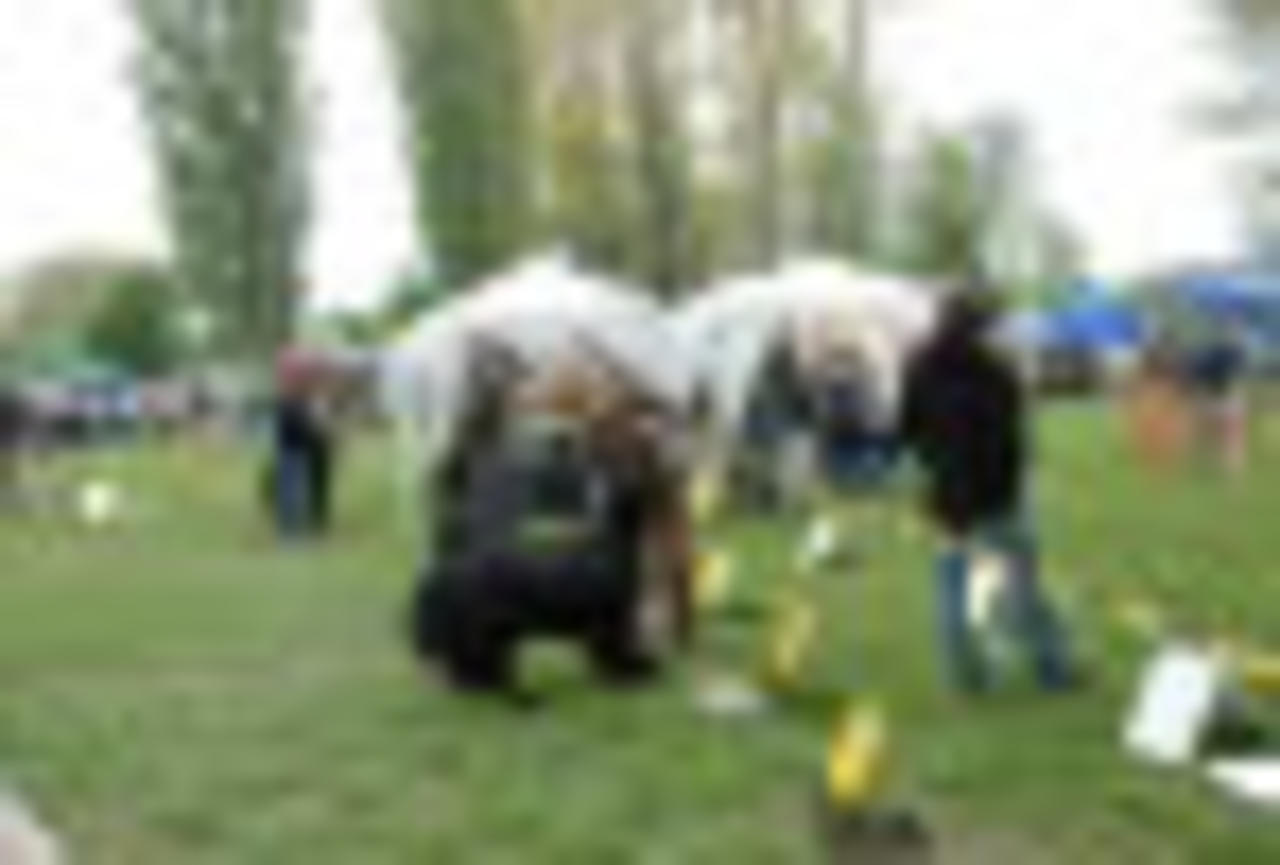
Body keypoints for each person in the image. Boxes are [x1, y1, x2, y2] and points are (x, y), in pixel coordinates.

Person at [409, 363, 679, 702]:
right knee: (481, 581)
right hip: (536, 561)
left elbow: (649, 524)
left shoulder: (611, 457)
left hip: (563, 561)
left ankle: (469, 662)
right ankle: (469, 662)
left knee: (494, 581)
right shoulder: (550, 450)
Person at [900, 290, 1076, 693]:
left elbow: (909, 430)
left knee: (954, 591)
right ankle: (1052, 667)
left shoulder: (919, 366)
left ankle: (966, 677)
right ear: (981, 327)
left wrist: (934, 473)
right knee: (1022, 584)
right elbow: (1009, 442)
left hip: (948, 499)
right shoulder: (995, 372)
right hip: (996, 498)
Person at [266, 350, 336, 538]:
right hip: (293, 447)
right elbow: (300, 424)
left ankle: (301, 525)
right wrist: (316, 427)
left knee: (299, 489)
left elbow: (316, 423)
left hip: (305, 448)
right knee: (290, 490)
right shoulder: (291, 400)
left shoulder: (305, 399)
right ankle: (289, 530)